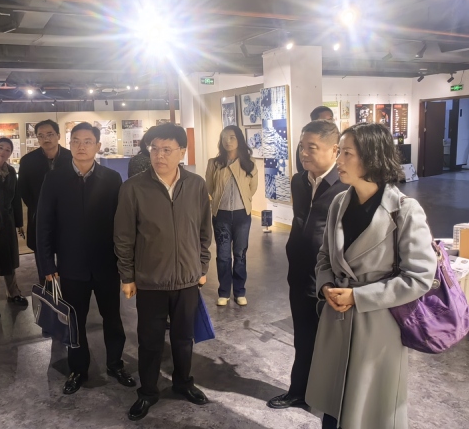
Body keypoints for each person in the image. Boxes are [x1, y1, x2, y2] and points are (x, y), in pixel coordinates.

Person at [305, 123, 437, 429]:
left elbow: (419, 277)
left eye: (347, 153)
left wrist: (358, 296)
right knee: (333, 408)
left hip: (378, 327)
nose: (338, 160)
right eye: (339, 151)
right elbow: (325, 255)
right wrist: (326, 285)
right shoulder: (340, 202)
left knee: (367, 412)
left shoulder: (405, 210)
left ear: (372, 157)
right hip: (336, 319)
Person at [114, 123, 212, 422]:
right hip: (150, 280)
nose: (159, 155)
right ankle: (147, 391)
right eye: (154, 149)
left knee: (184, 338)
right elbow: (123, 236)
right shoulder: (133, 188)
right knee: (150, 341)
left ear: (182, 151)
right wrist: (127, 276)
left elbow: (204, 230)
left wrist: (202, 266)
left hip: (187, 280)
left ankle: (183, 382)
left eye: (167, 149)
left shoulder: (196, 185)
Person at [37, 122, 134, 395]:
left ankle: (115, 364)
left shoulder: (111, 179)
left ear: (98, 146)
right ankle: (78, 369)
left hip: (106, 264)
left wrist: (125, 263)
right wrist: (47, 264)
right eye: (76, 141)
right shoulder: (54, 179)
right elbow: (44, 224)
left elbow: (121, 224)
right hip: (70, 266)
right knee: (74, 320)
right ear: (69, 145)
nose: (82, 146)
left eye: (88, 141)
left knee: (112, 318)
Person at [267, 120, 347, 410]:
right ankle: (299, 391)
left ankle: (332, 399)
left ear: (334, 150)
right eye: (302, 147)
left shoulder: (346, 185)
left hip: (331, 279)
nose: (304, 153)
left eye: (312, 148)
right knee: (302, 336)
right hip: (299, 273)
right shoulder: (299, 181)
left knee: (333, 344)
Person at [205, 125, 258, 306]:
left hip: (242, 214)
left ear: (239, 139)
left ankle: (240, 291)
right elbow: (210, 187)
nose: (228, 141)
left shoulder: (249, 162)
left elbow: (252, 188)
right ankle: (224, 291)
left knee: (240, 254)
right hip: (221, 215)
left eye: (232, 137)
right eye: (224, 137)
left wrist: (243, 202)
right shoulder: (214, 163)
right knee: (223, 255)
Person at [19, 119, 72, 279]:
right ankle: (47, 289)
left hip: (67, 216)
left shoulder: (71, 157)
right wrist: (39, 207)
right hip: (39, 216)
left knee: (68, 256)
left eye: (50, 134)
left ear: (58, 135)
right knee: (43, 260)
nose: (46, 139)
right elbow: (24, 190)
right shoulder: (28, 161)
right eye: (41, 136)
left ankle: (68, 287)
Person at [0, 137, 28, 318]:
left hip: (6, 221)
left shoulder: (10, 171)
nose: (3, 151)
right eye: (0, 147)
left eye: (7, 149)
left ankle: (13, 293)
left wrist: (19, 223)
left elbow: (16, 198)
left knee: (8, 259)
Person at [295, 106, 334, 173]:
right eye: (325, 121)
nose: (329, 123)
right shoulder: (305, 142)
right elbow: (301, 167)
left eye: (330, 119)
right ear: (314, 122)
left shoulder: (338, 139)